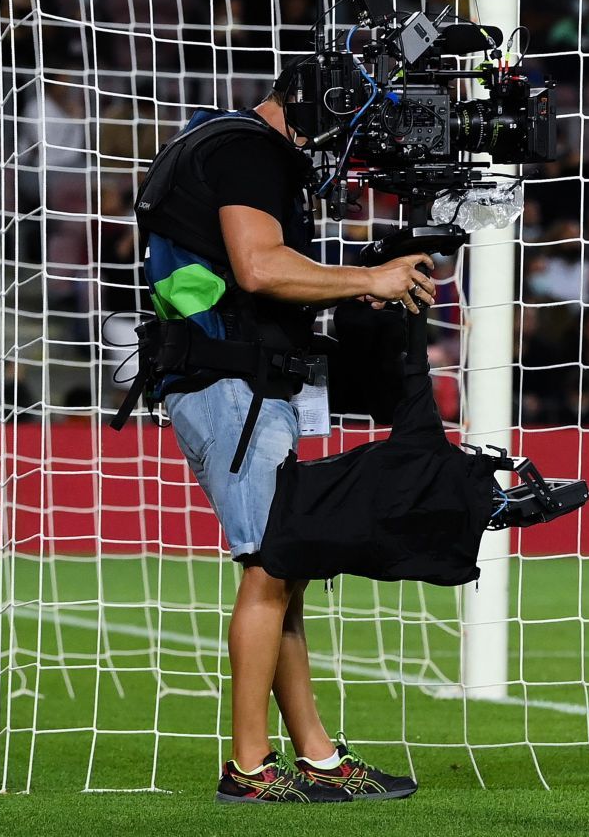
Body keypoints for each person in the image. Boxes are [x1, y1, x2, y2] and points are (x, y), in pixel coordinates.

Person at [131, 75, 430, 804]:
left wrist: (339, 287)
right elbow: (259, 266)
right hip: (232, 385)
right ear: (315, 106)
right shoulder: (249, 151)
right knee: (272, 568)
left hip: (226, 379)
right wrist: (367, 274)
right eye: (345, 129)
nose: (345, 150)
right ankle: (248, 766)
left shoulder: (222, 143)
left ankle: (318, 757)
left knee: (286, 567)